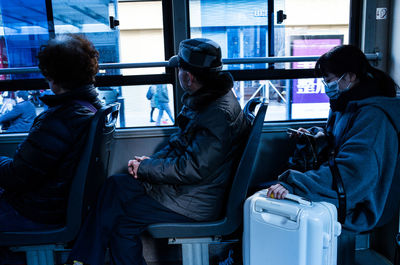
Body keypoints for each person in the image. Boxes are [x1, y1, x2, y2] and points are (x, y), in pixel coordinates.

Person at [68, 38, 249, 265]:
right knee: (114, 185)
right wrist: (149, 163)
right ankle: (83, 260)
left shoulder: (217, 114)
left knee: (122, 221)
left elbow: (191, 168)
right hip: (187, 191)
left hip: (194, 202)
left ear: (188, 77)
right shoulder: (206, 99)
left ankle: (83, 260)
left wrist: (146, 169)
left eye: (180, 69)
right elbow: (180, 146)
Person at [267, 45, 400, 232]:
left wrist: (294, 183)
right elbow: (336, 141)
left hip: (358, 201)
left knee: (276, 206)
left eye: (328, 80)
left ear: (350, 76)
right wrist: (315, 135)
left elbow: (354, 172)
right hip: (341, 184)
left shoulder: (374, 117)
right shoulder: (344, 105)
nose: (326, 86)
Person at [0, 34, 102, 234]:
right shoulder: (91, 108)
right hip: (54, 205)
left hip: (36, 212)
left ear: (52, 77)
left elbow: (18, 177)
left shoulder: (59, 119)